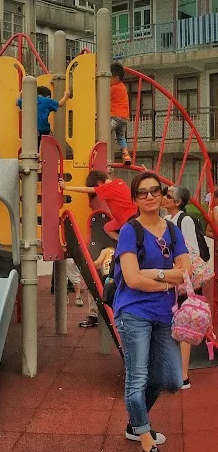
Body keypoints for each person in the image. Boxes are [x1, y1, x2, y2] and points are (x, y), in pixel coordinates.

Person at [114, 171, 188, 452]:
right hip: (133, 312)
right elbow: (132, 279)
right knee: (138, 376)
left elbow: (186, 272)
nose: (149, 196)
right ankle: (144, 438)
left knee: (170, 378)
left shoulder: (172, 230)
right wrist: (166, 279)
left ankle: (135, 422)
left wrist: (154, 275)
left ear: (162, 195)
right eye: (142, 192)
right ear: (135, 198)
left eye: (154, 191)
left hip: (164, 314)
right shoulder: (129, 231)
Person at [162, 186, 202, 389]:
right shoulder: (166, 220)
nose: (163, 198)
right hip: (173, 279)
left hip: (184, 281)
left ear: (177, 202)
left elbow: (191, 250)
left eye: (168, 196)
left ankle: (184, 375)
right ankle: (172, 370)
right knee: (172, 324)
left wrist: (179, 267)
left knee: (184, 325)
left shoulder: (183, 220)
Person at [60, 170, 136, 240]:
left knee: (114, 231)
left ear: (99, 182)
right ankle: (122, 241)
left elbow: (87, 189)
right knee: (108, 227)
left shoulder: (106, 187)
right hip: (131, 216)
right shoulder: (120, 182)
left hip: (128, 219)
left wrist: (66, 187)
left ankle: (124, 241)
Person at [111, 62, 132, 165]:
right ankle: (126, 155)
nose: (108, 81)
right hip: (124, 118)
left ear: (117, 78)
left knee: (103, 132)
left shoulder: (113, 88)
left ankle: (96, 151)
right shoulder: (123, 87)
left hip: (115, 117)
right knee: (121, 137)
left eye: (110, 78)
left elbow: (103, 97)